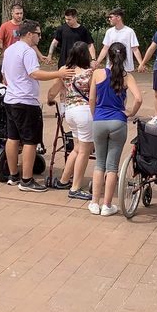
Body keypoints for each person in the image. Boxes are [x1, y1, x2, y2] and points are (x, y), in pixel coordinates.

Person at [1, 20, 73, 192]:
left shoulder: (10, 49)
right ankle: (26, 180)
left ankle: (13, 175)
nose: (40, 37)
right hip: (25, 101)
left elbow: (4, 74)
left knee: (12, 137)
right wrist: (59, 73)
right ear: (29, 34)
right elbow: (35, 73)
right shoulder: (28, 51)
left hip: (10, 99)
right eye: (38, 34)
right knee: (30, 141)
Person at [86, 43, 143, 215]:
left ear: (109, 56)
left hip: (99, 120)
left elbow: (91, 99)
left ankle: (94, 202)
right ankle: (107, 205)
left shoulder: (97, 73)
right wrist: (130, 112)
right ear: (125, 57)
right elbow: (139, 98)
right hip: (118, 120)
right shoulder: (127, 76)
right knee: (112, 166)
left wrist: (95, 115)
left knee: (99, 164)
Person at [52, 43, 96, 201]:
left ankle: (64, 180)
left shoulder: (65, 70)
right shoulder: (90, 73)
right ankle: (75, 187)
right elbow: (93, 95)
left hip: (69, 111)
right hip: (84, 111)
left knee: (76, 149)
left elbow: (55, 90)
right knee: (85, 151)